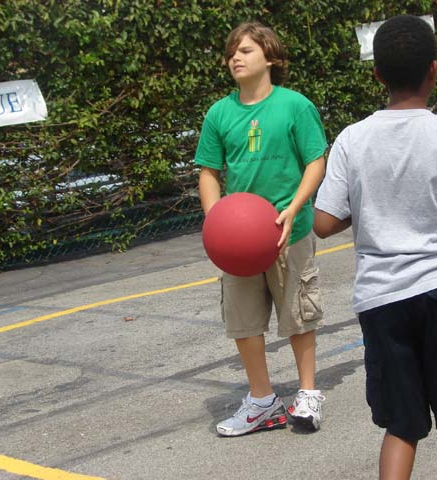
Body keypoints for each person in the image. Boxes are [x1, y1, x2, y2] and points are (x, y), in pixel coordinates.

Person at [313, 15, 437, 480]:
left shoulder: (351, 139)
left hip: (381, 299)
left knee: (401, 426)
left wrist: (371, 203)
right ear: (434, 70)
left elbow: (323, 223)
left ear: (377, 74)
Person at [195, 21, 327, 437]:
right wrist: (217, 221)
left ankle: (308, 394)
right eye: (231, 52)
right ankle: (262, 401)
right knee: (244, 320)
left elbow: (316, 161)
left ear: (270, 57)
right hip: (240, 242)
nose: (235, 57)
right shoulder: (219, 113)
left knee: (298, 314)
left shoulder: (295, 106)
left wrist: (293, 208)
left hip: (289, 232)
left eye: (246, 50)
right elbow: (208, 172)